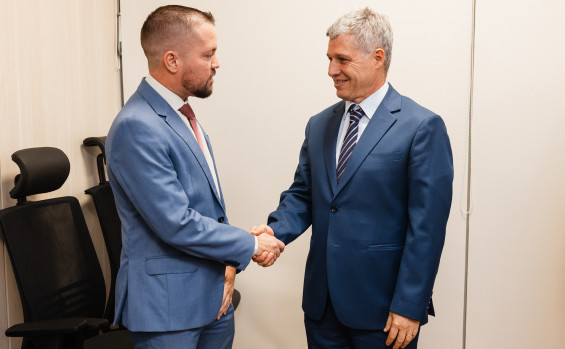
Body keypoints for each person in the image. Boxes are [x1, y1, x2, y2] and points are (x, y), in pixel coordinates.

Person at [252, 7, 453, 349]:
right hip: (322, 307)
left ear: (377, 57)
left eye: (342, 60)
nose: (332, 70)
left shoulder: (422, 127)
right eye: (329, 59)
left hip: (385, 311)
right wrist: (275, 231)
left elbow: (428, 229)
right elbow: (303, 195)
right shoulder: (319, 124)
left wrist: (409, 305)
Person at [106, 5, 284, 349]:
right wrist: (247, 245)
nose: (217, 63)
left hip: (213, 296)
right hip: (168, 310)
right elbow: (175, 222)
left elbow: (206, 209)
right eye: (209, 54)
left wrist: (230, 266)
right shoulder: (137, 126)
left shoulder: (180, 115)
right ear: (172, 61)